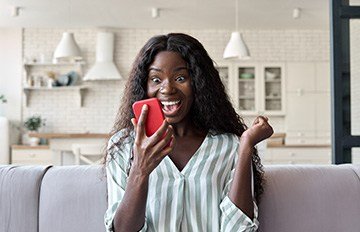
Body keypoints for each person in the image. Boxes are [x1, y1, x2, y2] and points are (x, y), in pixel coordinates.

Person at [104, 33, 273, 232]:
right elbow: (122, 230)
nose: (167, 89)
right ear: (144, 86)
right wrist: (140, 169)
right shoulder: (123, 146)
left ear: (199, 84)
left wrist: (245, 146)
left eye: (180, 77)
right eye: (156, 79)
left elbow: (239, 228)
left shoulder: (229, 146)